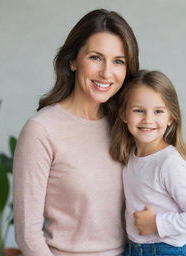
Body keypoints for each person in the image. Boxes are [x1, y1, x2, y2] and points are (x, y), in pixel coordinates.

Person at [13, 9, 139, 256]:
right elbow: (27, 234)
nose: (106, 72)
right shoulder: (41, 130)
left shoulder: (126, 125)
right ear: (72, 61)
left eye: (118, 61)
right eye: (95, 57)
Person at [110, 70, 186, 256]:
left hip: (168, 251)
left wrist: (157, 223)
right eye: (138, 110)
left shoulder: (169, 163)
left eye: (158, 111)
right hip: (134, 248)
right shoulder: (131, 155)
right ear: (124, 114)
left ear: (170, 117)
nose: (148, 119)